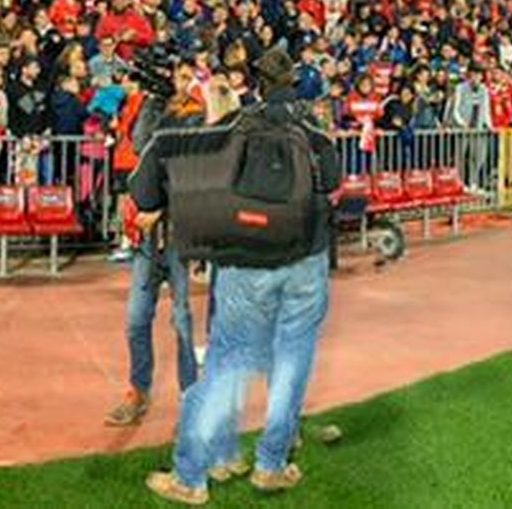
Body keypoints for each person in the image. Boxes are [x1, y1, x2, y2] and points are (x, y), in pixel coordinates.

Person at [145, 48, 341, 503]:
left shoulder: (238, 123)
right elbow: (332, 182)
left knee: (226, 360)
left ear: (256, 82)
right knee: (292, 361)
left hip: (249, 258)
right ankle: (271, 465)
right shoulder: (313, 128)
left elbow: (188, 167)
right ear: (293, 84)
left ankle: (192, 475)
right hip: (306, 260)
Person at [104, 66, 206, 429]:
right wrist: (152, 102)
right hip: (148, 240)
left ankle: (191, 399)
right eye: (174, 78)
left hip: (177, 234)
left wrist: (160, 209)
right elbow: (140, 146)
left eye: (184, 77)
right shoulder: (156, 111)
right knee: (136, 319)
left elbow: (189, 175)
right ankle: (138, 391)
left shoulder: (196, 117)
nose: (177, 84)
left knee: (182, 320)